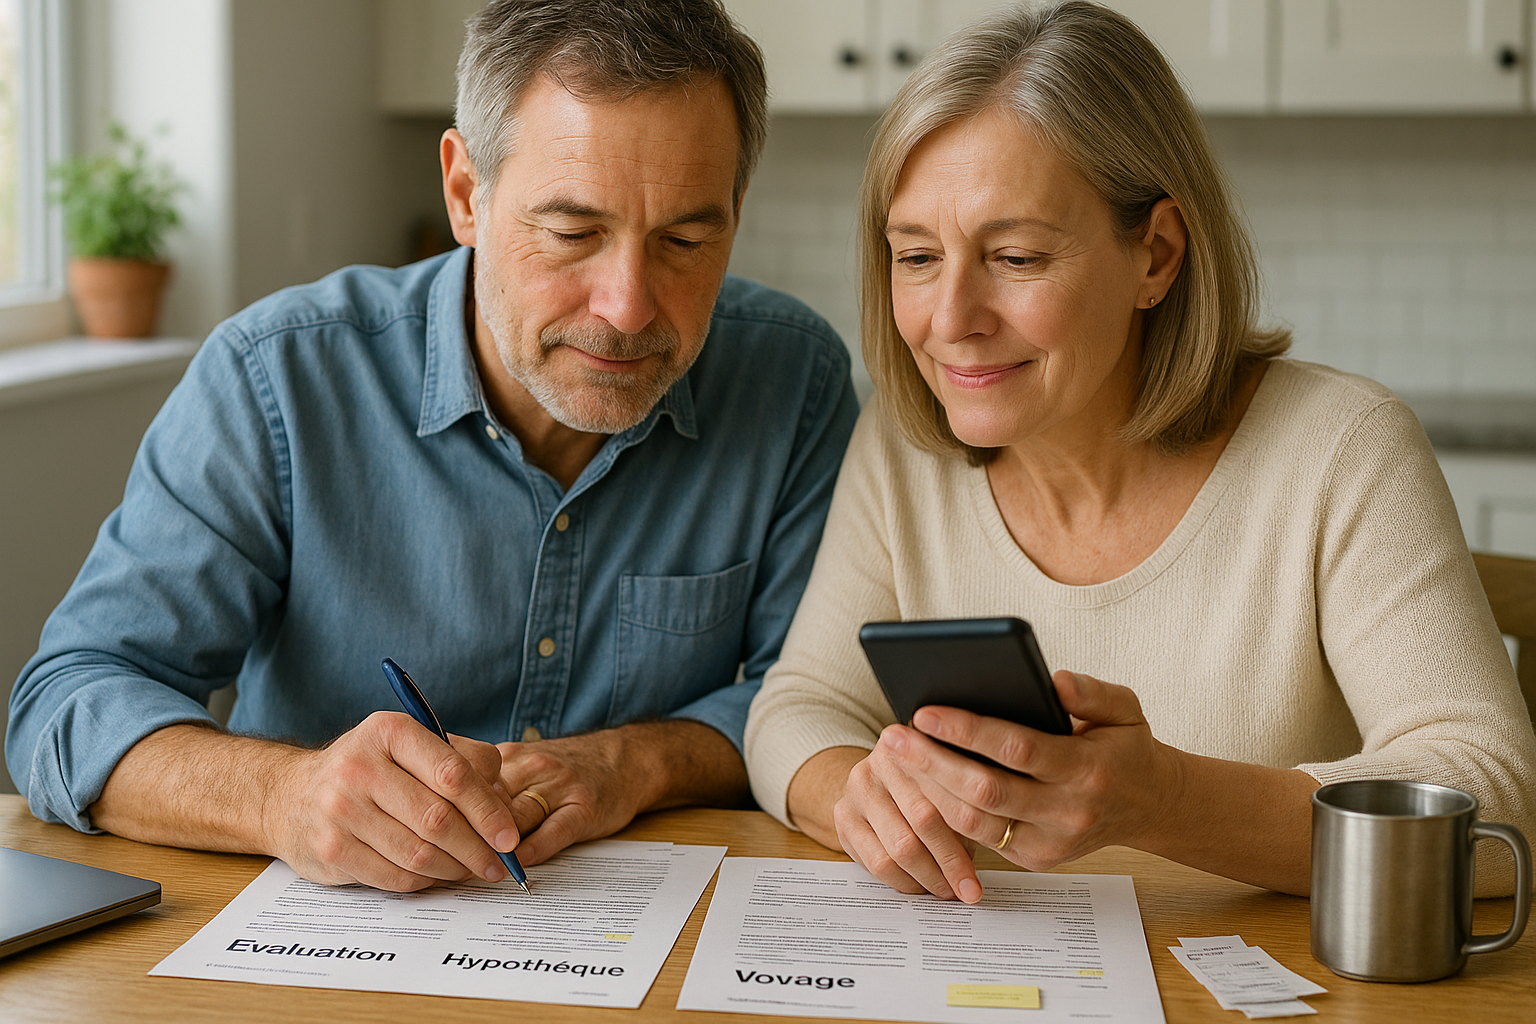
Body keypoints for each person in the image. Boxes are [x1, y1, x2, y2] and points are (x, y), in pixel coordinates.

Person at [7, 0, 858, 893]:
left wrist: (634, 762)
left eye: (687, 238)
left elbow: (812, 696)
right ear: (465, 195)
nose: (629, 307)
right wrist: (284, 796)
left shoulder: (793, 381)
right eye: (572, 233)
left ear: (735, 210)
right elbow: (66, 701)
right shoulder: (277, 380)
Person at [744, 0, 1536, 902]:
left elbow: (1499, 803)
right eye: (916, 257)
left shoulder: (1342, 450)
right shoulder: (902, 445)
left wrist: (1166, 803)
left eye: (1016, 257)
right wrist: (857, 793)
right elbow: (796, 708)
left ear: (1156, 255)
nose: (951, 320)